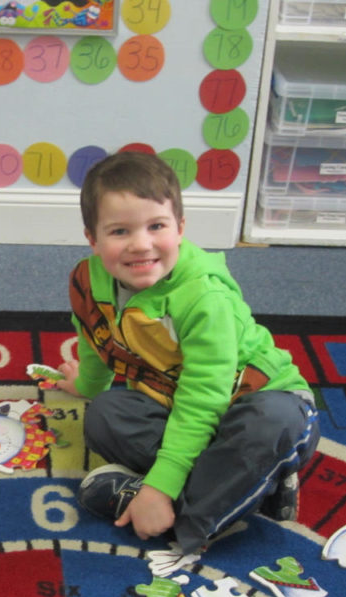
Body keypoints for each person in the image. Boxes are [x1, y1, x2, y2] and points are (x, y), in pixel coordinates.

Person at [56, 152, 319, 554]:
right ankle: (250, 485)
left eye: (156, 226)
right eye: (119, 231)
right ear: (92, 238)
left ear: (180, 228)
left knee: (270, 424)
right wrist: (88, 384)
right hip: (178, 401)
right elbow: (96, 337)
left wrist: (159, 487)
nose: (140, 245)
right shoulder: (86, 280)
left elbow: (204, 397)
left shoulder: (203, 298)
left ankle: (185, 524)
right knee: (106, 415)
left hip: (263, 404)